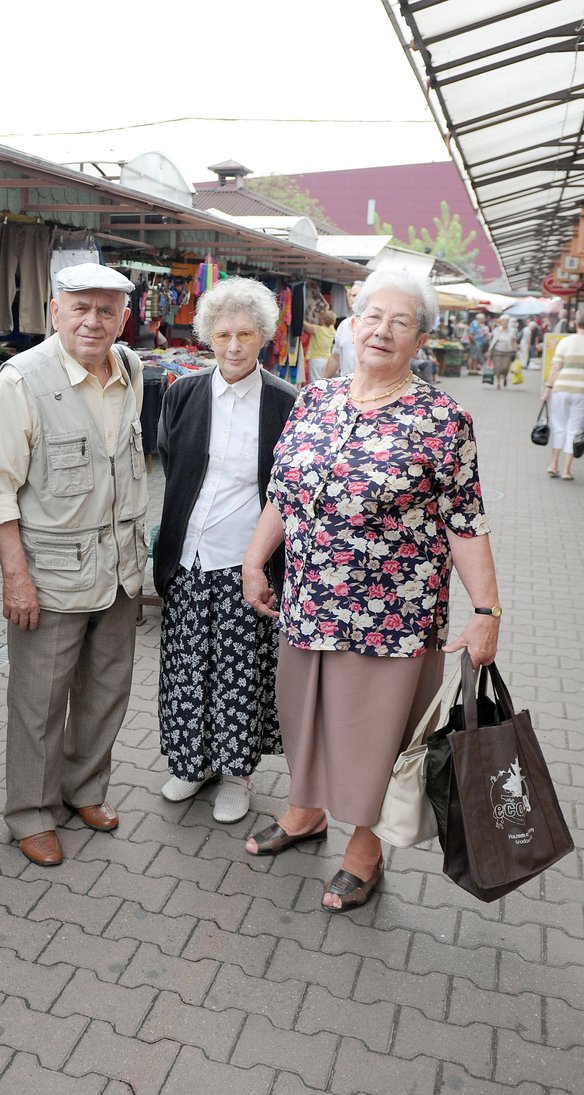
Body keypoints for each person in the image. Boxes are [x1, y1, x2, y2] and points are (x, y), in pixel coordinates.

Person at [241, 267, 501, 912]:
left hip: (392, 615)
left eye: (401, 322)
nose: (382, 331)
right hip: (307, 602)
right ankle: (305, 813)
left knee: (374, 732)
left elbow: (465, 521)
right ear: (351, 325)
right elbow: (284, 493)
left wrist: (488, 611)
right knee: (305, 714)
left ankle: (365, 847)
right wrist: (254, 561)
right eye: (372, 317)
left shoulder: (443, 418)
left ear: (421, 342)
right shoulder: (315, 399)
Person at [0, 263, 147, 868]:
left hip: (122, 567)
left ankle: (84, 790)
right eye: (80, 307)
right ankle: (30, 811)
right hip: (51, 572)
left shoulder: (132, 369)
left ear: (123, 318)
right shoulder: (23, 379)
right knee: (39, 700)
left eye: (106, 310)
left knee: (107, 689)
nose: (92, 321)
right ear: (54, 311)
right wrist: (14, 576)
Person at [153, 278, 297, 823]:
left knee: (240, 669)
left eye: (245, 334)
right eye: (222, 335)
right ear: (207, 337)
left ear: (264, 337)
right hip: (188, 554)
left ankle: (236, 774)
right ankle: (191, 765)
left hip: (248, 562)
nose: (233, 346)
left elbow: (286, 489)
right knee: (187, 665)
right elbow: (175, 468)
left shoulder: (286, 403)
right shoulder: (182, 393)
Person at [542, 304, 584, 481]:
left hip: (560, 389)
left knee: (559, 427)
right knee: (573, 429)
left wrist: (547, 390)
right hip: (581, 391)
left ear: (575, 323)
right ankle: (566, 470)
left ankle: (553, 464)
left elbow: (555, 369)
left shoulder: (565, 342)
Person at [325, 281, 364, 379]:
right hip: (346, 386)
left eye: (358, 295)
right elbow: (335, 357)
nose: (354, 299)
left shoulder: (378, 328)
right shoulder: (344, 325)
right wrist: (322, 383)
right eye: (352, 295)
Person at [302, 306, 336, 384]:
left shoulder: (318, 329)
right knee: (322, 382)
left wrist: (300, 318)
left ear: (323, 320)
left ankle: (313, 395)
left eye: (320, 318)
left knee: (314, 382)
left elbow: (305, 325)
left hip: (316, 359)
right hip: (326, 359)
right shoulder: (332, 331)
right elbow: (330, 321)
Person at [487, 315, 517, 389]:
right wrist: (490, 350)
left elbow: (513, 341)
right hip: (497, 351)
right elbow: (492, 341)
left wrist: (516, 351)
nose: (504, 323)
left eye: (506, 321)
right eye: (503, 321)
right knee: (498, 368)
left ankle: (505, 377)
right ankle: (498, 383)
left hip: (508, 351)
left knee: (505, 367)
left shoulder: (512, 331)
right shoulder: (497, 330)